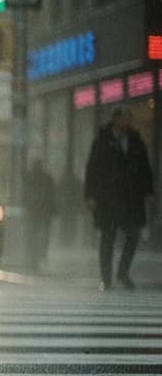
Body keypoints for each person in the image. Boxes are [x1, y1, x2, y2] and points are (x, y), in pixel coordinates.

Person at [83, 105, 155, 290]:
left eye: (129, 118)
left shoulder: (136, 141)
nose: (127, 122)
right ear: (115, 120)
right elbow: (93, 169)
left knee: (133, 236)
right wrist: (90, 195)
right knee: (108, 237)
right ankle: (106, 278)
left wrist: (148, 191)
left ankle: (122, 272)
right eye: (124, 118)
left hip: (131, 199)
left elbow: (144, 168)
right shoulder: (103, 140)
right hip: (108, 199)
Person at [24, 157, 56, 271]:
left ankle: (35, 258)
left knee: (34, 235)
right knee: (41, 236)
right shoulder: (46, 178)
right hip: (42, 212)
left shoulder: (30, 178)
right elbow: (52, 196)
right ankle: (39, 257)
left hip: (36, 211)